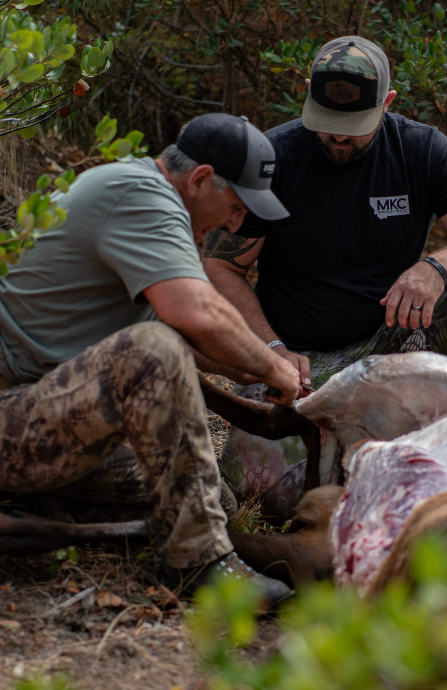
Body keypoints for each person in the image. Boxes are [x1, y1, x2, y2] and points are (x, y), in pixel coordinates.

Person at [203, 37, 447, 519]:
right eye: (328, 124)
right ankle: (372, 452)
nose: (338, 137)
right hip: (301, 362)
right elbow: (220, 266)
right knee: (264, 493)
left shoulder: (421, 149)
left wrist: (436, 268)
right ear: (307, 93)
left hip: (396, 342)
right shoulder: (271, 157)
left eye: (353, 128)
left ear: (387, 103)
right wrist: (271, 351)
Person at [0, 113, 300, 605]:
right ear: (201, 178)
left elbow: (179, 333)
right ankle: (199, 565)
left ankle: (40, 510)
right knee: (153, 353)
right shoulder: (140, 194)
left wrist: (242, 368)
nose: (235, 224)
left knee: (209, 500)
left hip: (42, 416)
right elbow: (192, 314)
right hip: (15, 417)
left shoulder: (141, 194)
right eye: (236, 207)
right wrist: (274, 365)